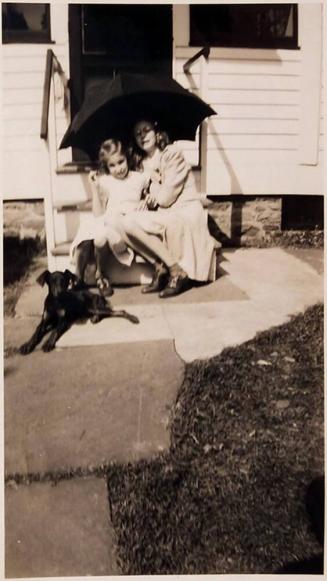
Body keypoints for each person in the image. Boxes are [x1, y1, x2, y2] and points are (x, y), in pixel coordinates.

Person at [120, 119, 216, 298]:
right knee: (123, 224)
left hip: (183, 212)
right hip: (165, 214)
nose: (142, 136)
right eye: (137, 134)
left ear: (156, 132)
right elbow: (146, 194)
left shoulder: (172, 154)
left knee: (130, 221)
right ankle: (161, 266)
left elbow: (165, 198)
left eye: (146, 130)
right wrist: (143, 200)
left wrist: (152, 192)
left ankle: (176, 271)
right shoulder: (140, 164)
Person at [71, 138, 149, 296]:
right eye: (112, 165)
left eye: (121, 162)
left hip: (125, 223)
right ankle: (79, 277)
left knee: (100, 237)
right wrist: (94, 188)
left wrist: (145, 201)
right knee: (91, 229)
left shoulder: (139, 178)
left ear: (127, 158)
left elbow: (150, 196)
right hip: (108, 221)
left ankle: (99, 275)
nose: (118, 168)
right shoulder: (106, 182)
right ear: (106, 166)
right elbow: (98, 214)